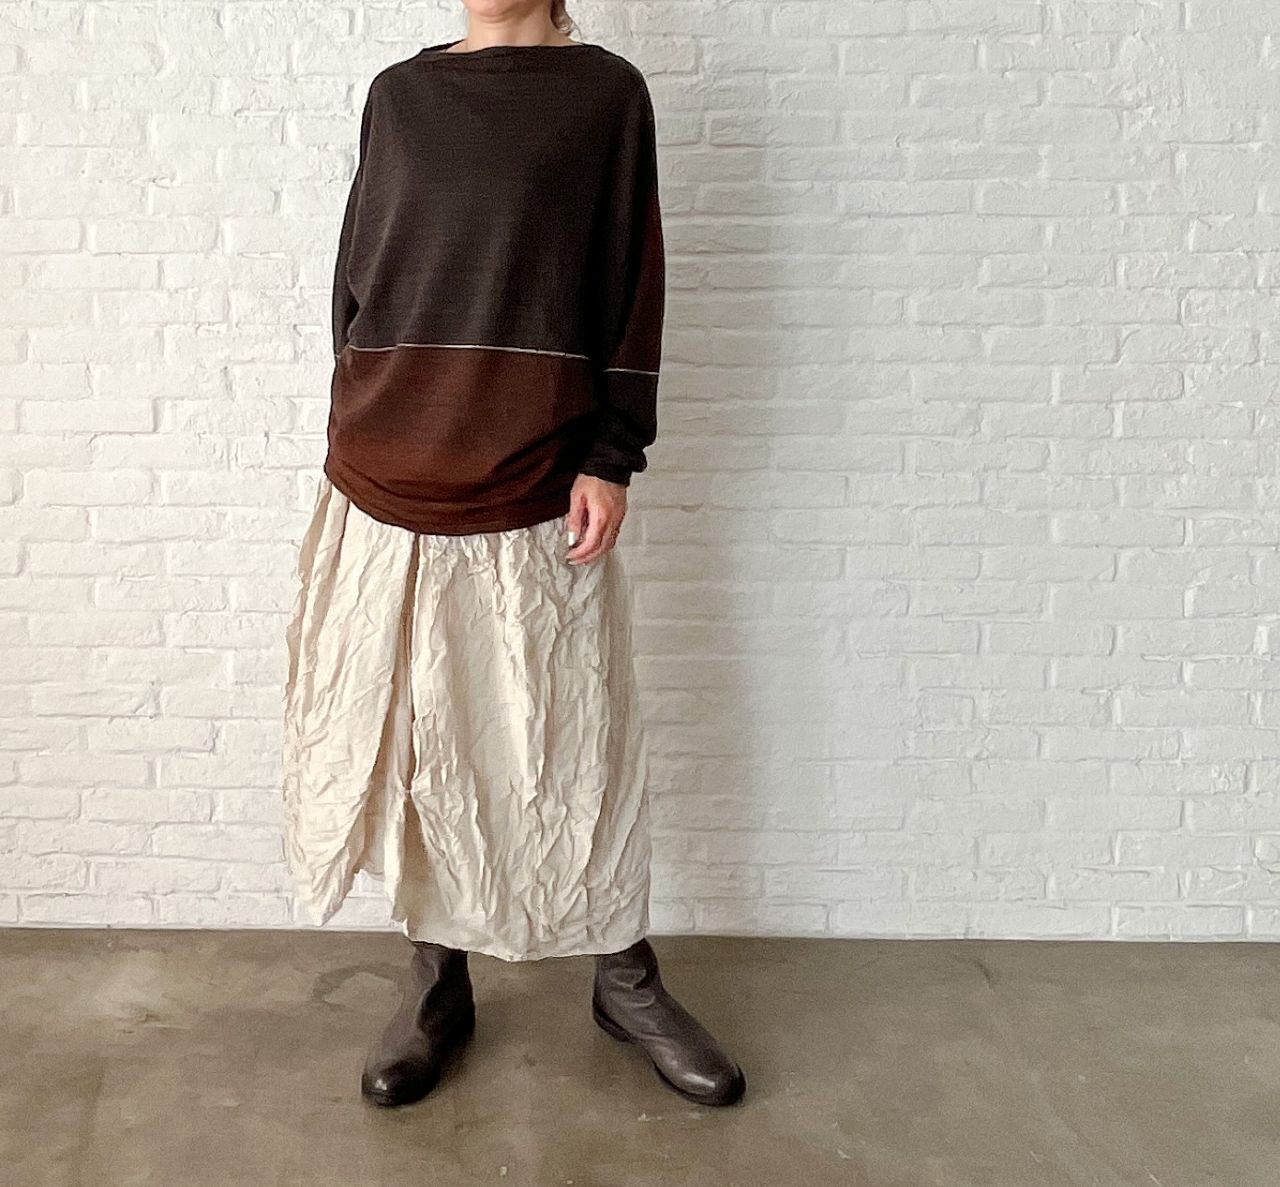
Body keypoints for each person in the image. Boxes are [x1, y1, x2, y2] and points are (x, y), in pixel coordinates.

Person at [280, 0, 746, 1109]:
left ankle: (623, 976)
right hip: (386, 472)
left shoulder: (604, 96)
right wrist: (355, 417)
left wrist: (611, 453)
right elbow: (357, 281)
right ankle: (436, 979)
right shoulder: (400, 95)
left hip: (535, 474)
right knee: (421, 737)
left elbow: (630, 288)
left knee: (573, 736)